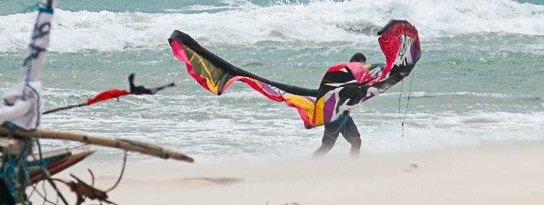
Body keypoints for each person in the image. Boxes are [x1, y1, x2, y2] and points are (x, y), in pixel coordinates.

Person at [169, 20, 420, 157]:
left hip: (342, 113)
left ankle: (348, 169)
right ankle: (312, 169)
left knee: (355, 142)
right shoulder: (351, 73)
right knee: (331, 146)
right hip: (335, 115)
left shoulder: (352, 74)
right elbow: (377, 77)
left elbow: (370, 81)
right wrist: (397, 70)